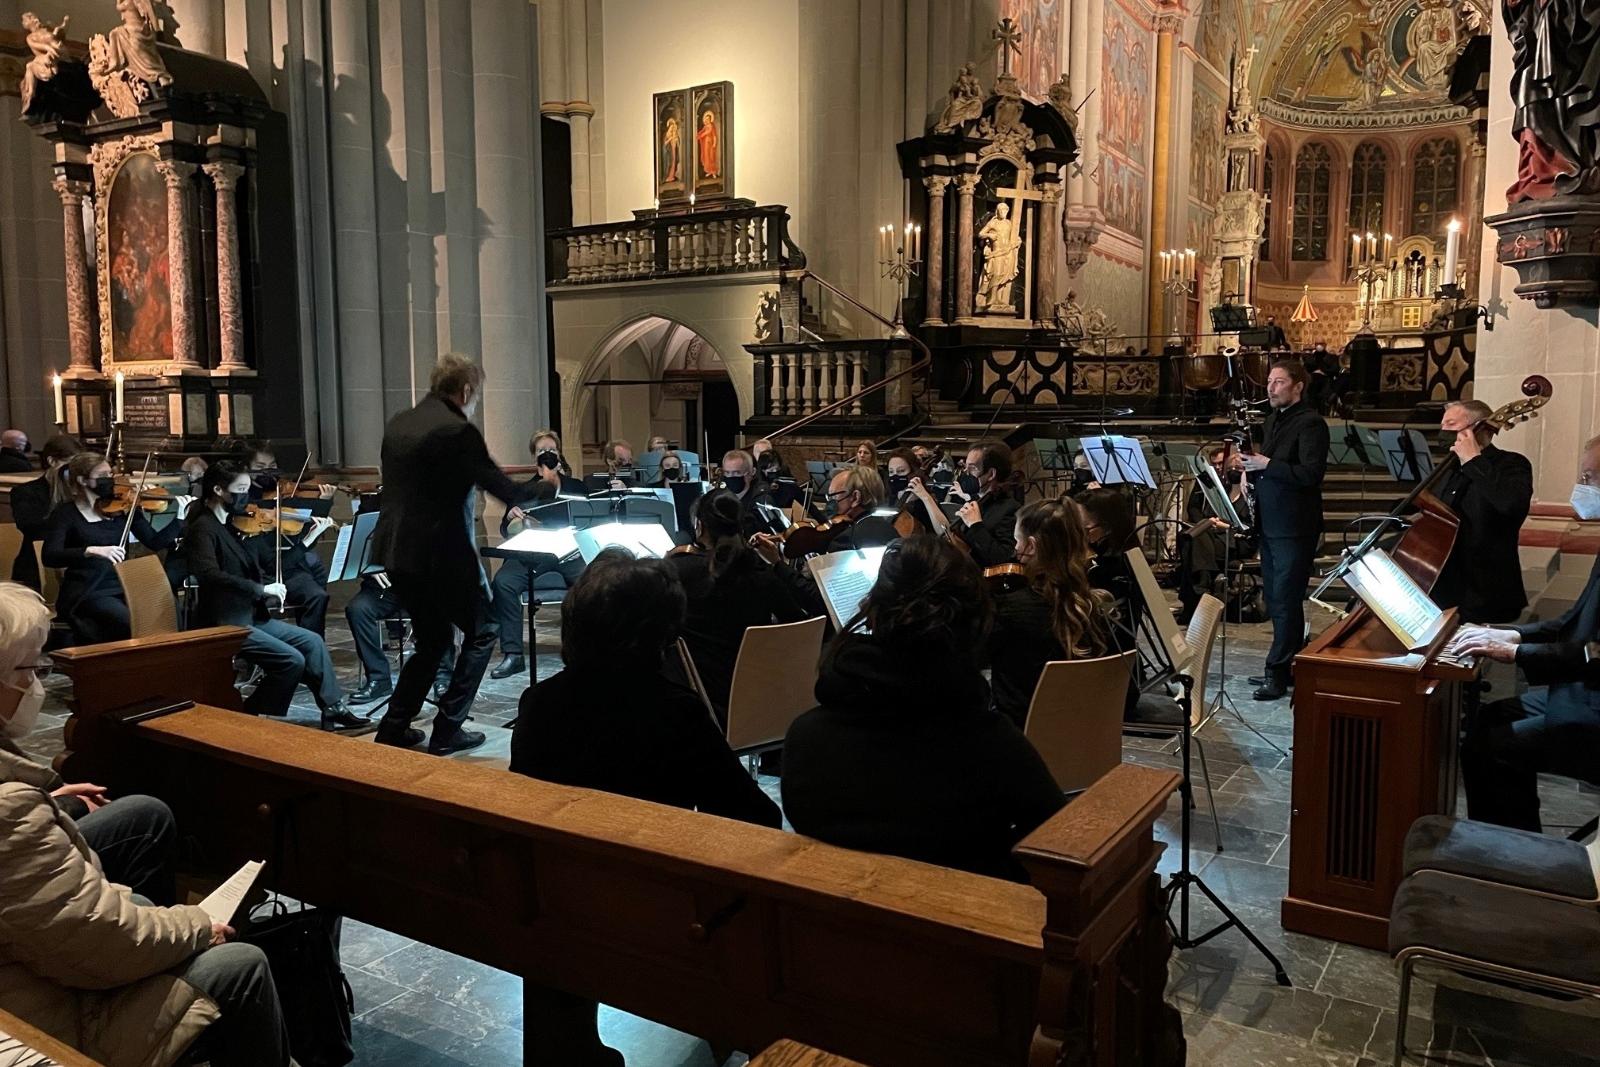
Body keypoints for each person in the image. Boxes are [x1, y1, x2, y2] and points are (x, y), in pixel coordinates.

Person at [0, 582, 293, 1067]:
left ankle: (162, 953)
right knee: (239, 963)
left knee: (142, 818)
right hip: (45, 1010)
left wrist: (48, 800)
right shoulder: (10, 813)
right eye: (29, 670)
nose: (39, 684)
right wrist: (197, 926)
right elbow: (100, 947)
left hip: (32, 952)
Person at [782, 534, 1065, 880]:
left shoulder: (805, 737)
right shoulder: (990, 745)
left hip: (832, 923)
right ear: (971, 629)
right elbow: (1056, 842)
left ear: (871, 614)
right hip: (955, 924)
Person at [371, 354, 525, 755]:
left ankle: (393, 726)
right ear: (467, 390)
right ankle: (448, 728)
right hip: (440, 555)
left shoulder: (400, 422)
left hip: (396, 552)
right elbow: (500, 487)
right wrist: (549, 490)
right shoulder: (457, 430)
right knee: (484, 630)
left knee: (433, 640)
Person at [1451, 434, 1600, 832]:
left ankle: (1514, 855)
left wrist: (1516, 655)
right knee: (1485, 721)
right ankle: (1515, 840)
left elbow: (1595, 654)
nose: (1581, 486)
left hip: (1594, 708)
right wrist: (1511, 636)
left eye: (1588, 476)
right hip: (1582, 693)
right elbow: (1573, 621)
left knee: (1490, 750)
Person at [185, 462, 363, 729]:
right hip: (225, 621)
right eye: (241, 490)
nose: (247, 497)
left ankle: (333, 707)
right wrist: (261, 589)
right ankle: (249, 714)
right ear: (219, 490)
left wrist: (304, 540)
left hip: (251, 615)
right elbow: (209, 575)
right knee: (291, 660)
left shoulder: (233, 527)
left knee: (312, 641)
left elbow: (267, 565)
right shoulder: (203, 528)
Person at [666, 489, 821, 720]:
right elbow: (798, 626)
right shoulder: (761, 574)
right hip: (761, 703)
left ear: (700, 526)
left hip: (700, 704)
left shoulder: (679, 571)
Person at [1231, 359, 1328, 700]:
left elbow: (1309, 474)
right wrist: (1248, 471)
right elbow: (1268, 466)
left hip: (1294, 525)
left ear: (1298, 386)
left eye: (1278, 382)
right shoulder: (1274, 420)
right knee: (1275, 598)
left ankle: (1278, 671)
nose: (1270, 388)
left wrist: (1265, 463)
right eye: (1269, 382)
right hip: (1271, 523)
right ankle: (1284, 667)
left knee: (1286, 599)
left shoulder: (1312, 423)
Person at [988, 499, 1122, 728]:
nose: (1014, 549)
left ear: (1031, 546)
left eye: (1016, 541)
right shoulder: (1096, 606)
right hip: (1082, 739)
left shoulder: (1011, 611)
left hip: (1021, 743)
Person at [42, 452, 178, 646]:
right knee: (130, 623)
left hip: (124, 584)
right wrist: (90, 550)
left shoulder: (123, 508)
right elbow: (50, 556)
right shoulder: (66, 514)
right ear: (83, 480)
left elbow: (155, 542)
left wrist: (180, 519)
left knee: (163, 614)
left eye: (111, 474)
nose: (110, 480)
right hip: (89, 589)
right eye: (103, 476)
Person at [488, 436, 587, 680]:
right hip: (532, 550)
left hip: (568, 550)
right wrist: (511, 516)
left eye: (552, 449)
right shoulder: (522, 490)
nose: (548, 454)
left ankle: (585, 650)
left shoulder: (576, 486)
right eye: (542, 451)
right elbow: (504, 530)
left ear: (559, 454)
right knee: (504, 582)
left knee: (593, 580)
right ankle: (513, 654)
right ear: (535, 458)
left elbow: (589, 518)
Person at [1428, 400, 1534, 624]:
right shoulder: (1449, 467)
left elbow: (1511, 506)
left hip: (1485, 591)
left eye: (1451, 423)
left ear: (1480, 427)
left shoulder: (1512, 464)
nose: (1443, 430)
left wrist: (1473, 461)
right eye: (1442, 424)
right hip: (1443, 589)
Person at [236, 441, 330, 636]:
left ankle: (312, 647)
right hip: (257, 571)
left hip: (289, 566)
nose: (267, 473)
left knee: (317, 596)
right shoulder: (241, 497)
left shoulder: (286, 495)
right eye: (260, 468)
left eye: (272, 467)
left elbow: (305, 533)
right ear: (247, 469)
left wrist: (323, 504)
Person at [1178, 445, 1253, 624]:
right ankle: (1201, 591)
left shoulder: (1251, 495)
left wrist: (1226, 526)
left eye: (1238, 469)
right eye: (1230, 469)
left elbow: (1252, 528)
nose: (1233, 472)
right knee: (1188, 536)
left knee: (1195, 540)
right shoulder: (1221, 493)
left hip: (1237, 541)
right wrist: (1212, 522)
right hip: (1216, 538)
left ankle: (1196, 599)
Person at [8, 433, 79, 590]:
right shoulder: (26, 492)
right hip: (35, 564)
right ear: (52, 461)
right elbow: (30, 527)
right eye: (69, 465)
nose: (74, 472)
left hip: (76, 564)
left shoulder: (82, 489)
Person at [953, 441, 1022, 566]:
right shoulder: (975, 501)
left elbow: (1004, 558)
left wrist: (976, 526)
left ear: (991, 474)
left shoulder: (1010, 509)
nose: (966, 473)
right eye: (965, 467)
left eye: (972, 468)